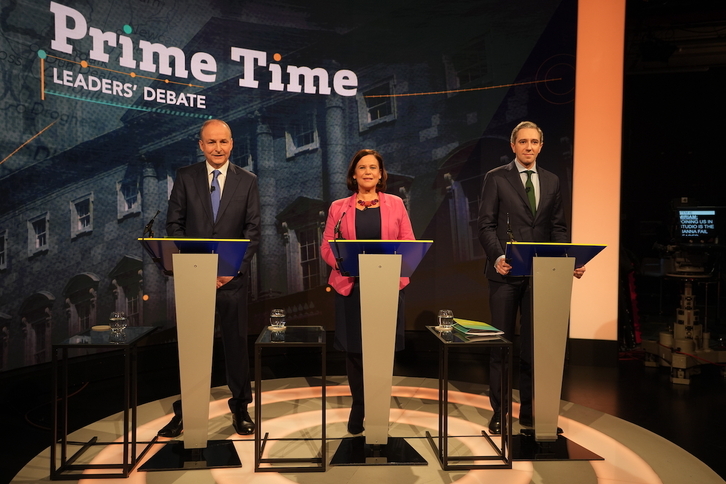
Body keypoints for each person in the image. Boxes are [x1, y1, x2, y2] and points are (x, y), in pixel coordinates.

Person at [477, 121, 585, 434]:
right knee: (501, 345)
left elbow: (558, 228)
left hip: (541, 276)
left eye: (534, 142)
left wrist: (566, 260)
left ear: (540, 145)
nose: (528, 147)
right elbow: (485, 225)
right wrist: (498, 257)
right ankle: (499, 413)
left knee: (534, 349)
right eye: (523, 142)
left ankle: (529, 412)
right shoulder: (496, 178)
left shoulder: (551, 181)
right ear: (513, 146)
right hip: (505, 276)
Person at [159, 119, 261, 437]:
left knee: (235, 345)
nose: (218, 148)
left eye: (224, 142)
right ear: (200, 145)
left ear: (232, 144)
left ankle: (241, 407)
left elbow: (253, 230)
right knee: (193, 346)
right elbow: (173, 225)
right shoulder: (185, 177)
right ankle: (187, 411)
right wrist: (198, 266)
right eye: (211, 142)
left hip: (233, 279)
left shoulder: (248, 180)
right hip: (195, 277)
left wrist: (230, 269)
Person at [320, 149, 415, 435]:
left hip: (385, 287)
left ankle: (377, 406)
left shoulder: (396, 204)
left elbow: (408, 242)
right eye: (362, 168)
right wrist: (340, 260)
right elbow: (327, 244)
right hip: (351, 287)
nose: (368, 172)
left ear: (381, 173)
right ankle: (359, 405)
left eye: (374, 167)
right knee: (354, 351)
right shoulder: (339, 207)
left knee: (382, 351)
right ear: (353, 174)